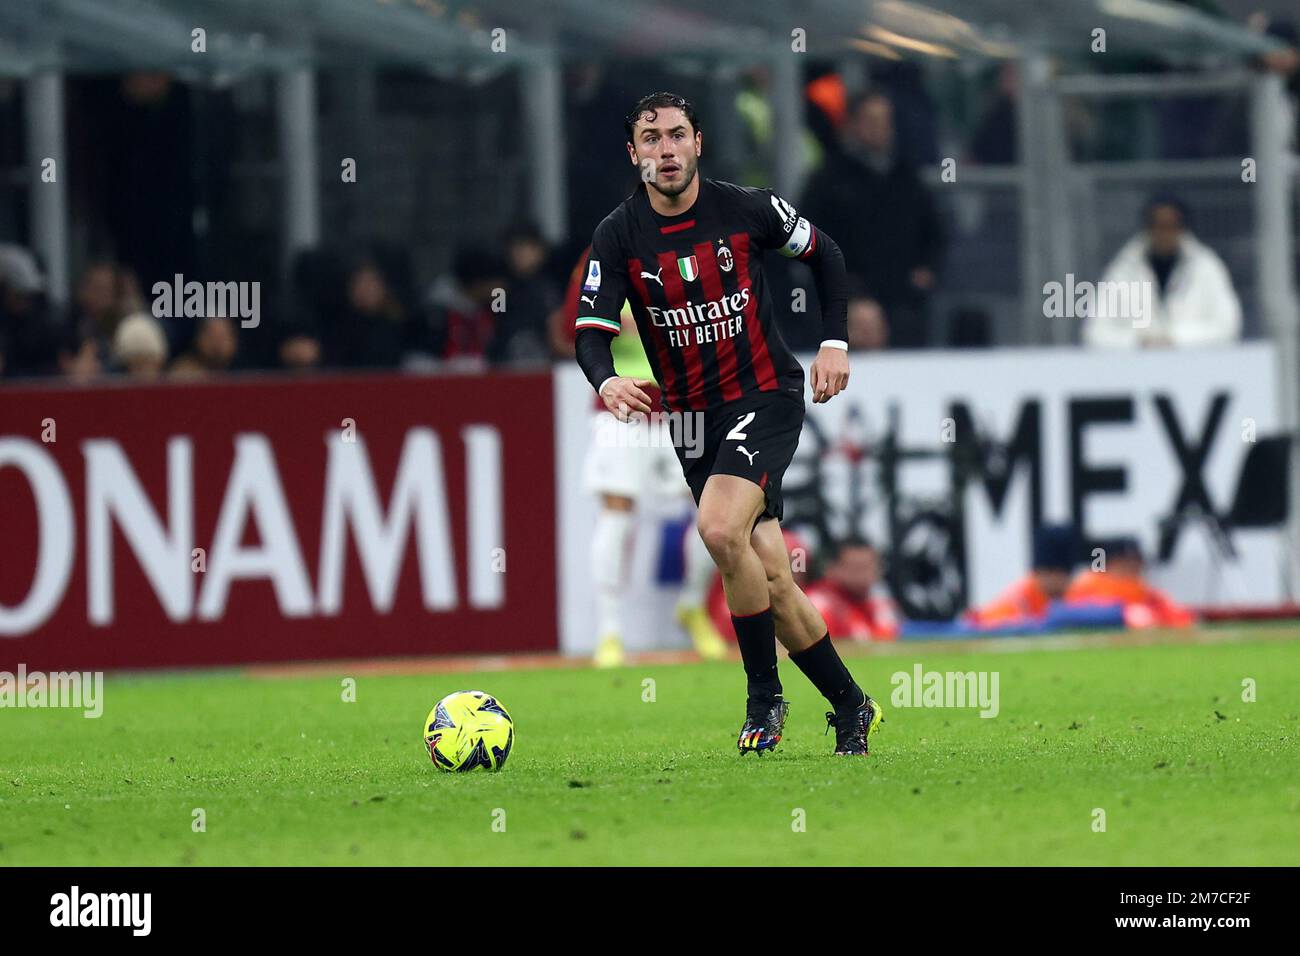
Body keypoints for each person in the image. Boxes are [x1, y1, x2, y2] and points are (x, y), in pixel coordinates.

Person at [573, 91, 882, 757]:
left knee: (717, 529)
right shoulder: (618, 235)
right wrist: (608, 380)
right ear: (635, 154)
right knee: (769, 575)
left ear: (697, 143)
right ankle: (852, 705)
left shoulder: (747, 209)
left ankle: (763, 700)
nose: (665, 149)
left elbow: (824, 252)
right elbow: (589, 333)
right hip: (689, 418)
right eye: (650, 138)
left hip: (763, 394)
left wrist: (836, 342)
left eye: (676, 135)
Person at [562, 247, 727, 667]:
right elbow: (571, 327)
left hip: (682, 406)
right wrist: (622, 322)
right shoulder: (601, 257)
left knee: (714, 510)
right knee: (617, 511)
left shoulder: (695, 248)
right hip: (623, 408)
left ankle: (692, 604)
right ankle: (609, 632)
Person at [799, 90, 945, 349]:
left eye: (885, 121)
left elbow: (934, 231)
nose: (881, 129)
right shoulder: (829, 180)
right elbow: (807, 241)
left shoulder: (905, 177)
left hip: (901, 298)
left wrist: (927, 268)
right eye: (872, 120)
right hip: (845, 300)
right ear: (853, 124)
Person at [1083, 197, 1241, 349]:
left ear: (1182, 228)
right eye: (1158, 226)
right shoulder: (1123, 270)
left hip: (1196, 369)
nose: (1164, 233)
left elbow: (1227, 326)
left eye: (1171, 226)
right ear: (1147, 228)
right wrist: (1140, 342)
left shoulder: (1206, 267)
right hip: (1136, 370)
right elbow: (1095, 332)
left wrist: (1176, 339)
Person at [1065, 537, 1195, 629]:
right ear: (1110, 564)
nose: (1132, 567)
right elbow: (1069, 614)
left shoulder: (1146, 592)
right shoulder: (1088, 584)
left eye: (1135, 562)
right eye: (1125, 563)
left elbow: (1182, 619)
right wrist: (1122, 613)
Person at [965, 525, 1079, 628]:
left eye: (1067, 574)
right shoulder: (1017, 602)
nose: (1064, 580)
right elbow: (976, 624)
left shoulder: (1072, 593)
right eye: (1065, 574)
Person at [805, 537, 899, 641]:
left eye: (869, 567)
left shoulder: (880, 602)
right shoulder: (817, 605)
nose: (864, 576)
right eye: (856, 568)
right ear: (831, 569)